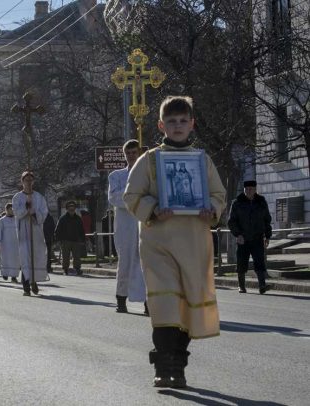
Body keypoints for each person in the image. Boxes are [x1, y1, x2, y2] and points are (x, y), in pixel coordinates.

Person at [123, 96, 226, 388]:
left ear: (192, 124)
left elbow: (218, 195)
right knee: (166, 307)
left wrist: (212, 210)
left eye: (183, 121)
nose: (178, 126)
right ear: (161, 125)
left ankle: (177, 366)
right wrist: (154, 209)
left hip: (194, 243)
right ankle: (163, 367)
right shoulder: (149, 160)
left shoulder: (202, 160)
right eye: (172, 121)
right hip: (159, 244)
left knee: (186, 309)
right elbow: (131, 197)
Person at [108, 139, 148, 315]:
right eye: (128, 153)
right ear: (124, 155)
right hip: (125, 225)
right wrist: (132, 197)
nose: (131, 156)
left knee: (145, 263)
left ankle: (148, 302)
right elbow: (114, 197)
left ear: (138, 153)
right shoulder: (116, 176)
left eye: (134, 152)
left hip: (143, 223)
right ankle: (121, 299)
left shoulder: (147, 174)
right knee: (125, 262)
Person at [227, 180, 273, 294]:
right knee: (241, 263)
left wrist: (267, 236)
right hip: (243, 238)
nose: (249, 191)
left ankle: (262, 285)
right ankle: (241, 286)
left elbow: (267, 220)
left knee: (259, 262)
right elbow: (231, 222)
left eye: (251, 189)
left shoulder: (261, 202)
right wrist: (237, 234)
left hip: (257, 238)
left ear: (255, 189)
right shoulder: (237, 203)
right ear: (244, 190)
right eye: (246, 189)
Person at [12, 171, 49, 296]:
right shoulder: (17, 197)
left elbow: (44, 212)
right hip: (23, 231)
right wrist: (25, 210)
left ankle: (34, 281)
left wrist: (34, 214)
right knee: (25, 257)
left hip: (36, 230)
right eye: (26, 180)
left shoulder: (39, 197)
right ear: (22, 181)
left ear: (33, 182)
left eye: (30, 180)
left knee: (36, 256)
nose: (28, 182)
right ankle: (26, 284)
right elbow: (16, 211)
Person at [54, 201, 86, 276]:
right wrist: (58, 240)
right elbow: (58, 230)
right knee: (65, 256)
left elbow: (81, 230)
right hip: (65, 241)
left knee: (77, 256)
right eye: (70, 207)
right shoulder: (62, 218)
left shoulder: (78, 218)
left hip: (76, 240)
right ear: (67, 209)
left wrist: (83, 239)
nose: (71, 209)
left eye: (73, 207)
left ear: (75, 208)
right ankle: (65, 269)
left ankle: (77, 269)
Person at [0, 203, 20, 283]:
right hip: (6, 244)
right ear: (7, 210)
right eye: (11, 209)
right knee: (5, 259)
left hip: (15, 244)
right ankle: (5, 273)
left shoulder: (17, 219)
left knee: (15, 260)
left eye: (13, 209)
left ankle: (14, 276)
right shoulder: (2, 220)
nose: (12, 211)